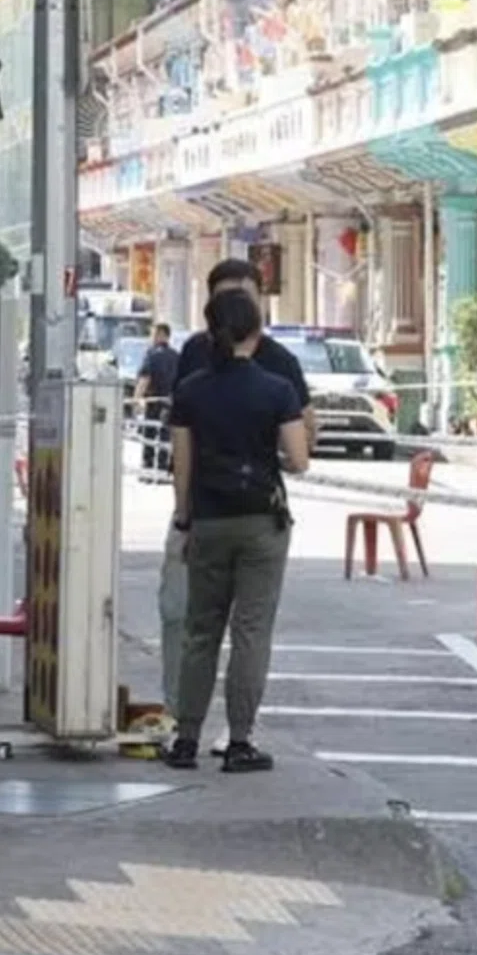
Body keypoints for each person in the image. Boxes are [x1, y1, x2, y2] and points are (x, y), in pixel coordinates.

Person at [156, 258, 313, 735]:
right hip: (260, 517)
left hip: (207, 517)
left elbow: (181, 461)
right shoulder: (277, 384)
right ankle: (240, 739)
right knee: (250, 631)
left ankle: (186, 736)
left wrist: (184, 518)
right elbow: (301, 455)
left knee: (201, 630)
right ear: (256, 324)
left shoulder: (191, 387)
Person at [135, 322, 180, 476]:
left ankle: (148, 468)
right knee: (165, 435)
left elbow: (145, 378)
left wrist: (137, 398)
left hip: (153, 401)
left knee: (150, 433)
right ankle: (162, 467)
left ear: (161, 335)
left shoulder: (152, 354)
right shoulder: (176, 356)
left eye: (153, 334)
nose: (151, 337)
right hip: (170, 401)